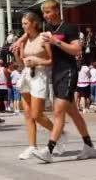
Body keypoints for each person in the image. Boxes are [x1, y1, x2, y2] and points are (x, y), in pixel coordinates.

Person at [30, 0, 96, 163]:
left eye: (48, 12)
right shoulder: (50, 29)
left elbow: (76, 50)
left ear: (56, 11)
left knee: (58, 111)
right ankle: (89, 146)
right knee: (73, 113)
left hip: (68, 72)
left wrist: (56, 42)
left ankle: (49, 150)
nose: (45, 16)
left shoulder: (69, 28)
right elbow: (51, 56)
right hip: (56, 73)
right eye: (44, 13)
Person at [15, 12, 64, 160]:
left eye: (25, 23)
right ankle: (32, 146)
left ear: (34, 23)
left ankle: (58, 134)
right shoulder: (23, 41)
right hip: (26, 76)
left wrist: (37, 61)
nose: (23, 26)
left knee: (37, 114)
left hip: (40, 76)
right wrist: (17, 54)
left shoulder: (44, 37)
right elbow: (20, 63)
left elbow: (51, 61)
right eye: (22, 24)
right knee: (28, 115)